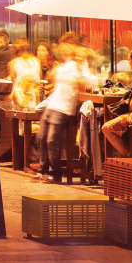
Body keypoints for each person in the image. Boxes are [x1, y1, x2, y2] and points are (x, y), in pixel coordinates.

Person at [33, 44, 96, 182]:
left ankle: (55, 173)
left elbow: (87, 85)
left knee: (51, 140)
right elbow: (55, 77)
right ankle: (42, 170)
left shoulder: (84, 71)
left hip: (64, 107)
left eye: (80, 56)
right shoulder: (68, 66)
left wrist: (79, 76)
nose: (76, 58)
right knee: (41, 137)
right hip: (52, 104)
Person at [7, 41, 42, 109]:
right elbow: (39, 79)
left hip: (31, 91)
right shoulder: (36, 61)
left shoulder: (13, 63)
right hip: (22, 92)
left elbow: (14, 82)